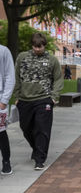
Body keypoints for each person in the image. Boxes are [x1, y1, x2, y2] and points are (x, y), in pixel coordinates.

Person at [13, 32, 63, 170]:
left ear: (44, 46)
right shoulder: (22, 57)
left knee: (42, 129)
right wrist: (16, 96)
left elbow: (58, 78)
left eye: (40, 47)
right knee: (25, 128)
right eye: (35, 46)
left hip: (43, 99)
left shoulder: (52, 60)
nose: (37, 49)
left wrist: (54, 97)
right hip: (24, 99)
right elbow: (16, 76)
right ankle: (36, 149)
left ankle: (40, 159)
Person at [0, 45, 15, 175]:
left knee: (1, 132)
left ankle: (6, 161)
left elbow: (10, 76)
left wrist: (4, 100)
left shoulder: (3, 51)